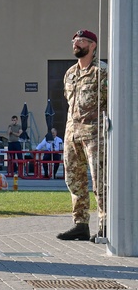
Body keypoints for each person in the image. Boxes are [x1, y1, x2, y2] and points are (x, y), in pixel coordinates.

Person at [57, 29, 108, 242]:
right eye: (74, 41)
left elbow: (112, 101)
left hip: (95, 135)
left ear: (92, 45)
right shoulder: (70, 73)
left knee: (101, 181)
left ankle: (106, 225)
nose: (76, 44)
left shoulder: (101, 72)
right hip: (72, 135)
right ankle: (80, 224)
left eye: (81, 41)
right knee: (74, 180)